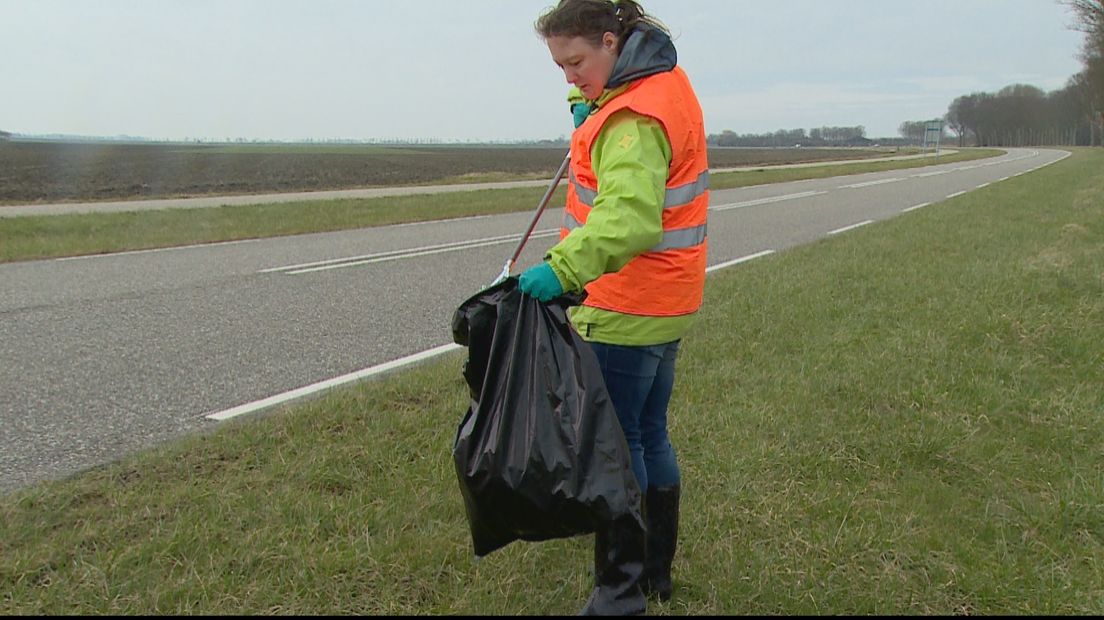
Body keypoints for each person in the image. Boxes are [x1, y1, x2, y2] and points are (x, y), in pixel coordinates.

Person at [519, 0, 710, 614]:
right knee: (649, 433)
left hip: (626, 305)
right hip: (666, 301)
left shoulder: (631, 116)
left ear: (610, 41)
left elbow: (628, 216)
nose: (570, 77)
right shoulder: (660, 84)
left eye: (577, 62)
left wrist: (561, 270)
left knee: (616, 447)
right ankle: (654, 577)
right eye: (559, 68)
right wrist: (589, 112)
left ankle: (619, 594)